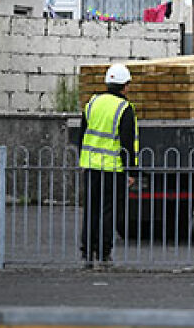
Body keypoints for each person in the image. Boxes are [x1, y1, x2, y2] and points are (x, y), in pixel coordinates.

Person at [78, 63, 138, 269]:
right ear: (125, 86)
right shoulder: (124, 108)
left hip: (91, 166)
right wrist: (131, 170)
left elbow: (82, 135)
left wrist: (83, 160)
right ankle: (104, 253)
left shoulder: (92, 103)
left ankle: (86, 253)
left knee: (91, 210)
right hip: (113, 168)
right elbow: (127, 143)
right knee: (108, 211)